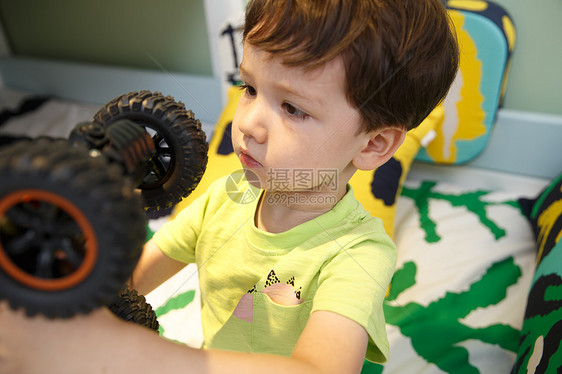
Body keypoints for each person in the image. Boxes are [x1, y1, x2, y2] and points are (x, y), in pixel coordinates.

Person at [0, 0, 458, 373]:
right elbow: (128, 281)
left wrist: (120, 350)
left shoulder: (358, 254)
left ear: (375, 145)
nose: (250, 124)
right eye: (250, 87)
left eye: (294, 109)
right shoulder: (226, 199)